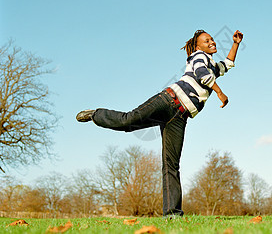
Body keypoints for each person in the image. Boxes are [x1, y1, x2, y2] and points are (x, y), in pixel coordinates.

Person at [76, 29, 244, 217]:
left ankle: (172, 214)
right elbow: (201, 73)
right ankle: (95, 115)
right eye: (207, 40)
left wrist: (235, 43)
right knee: (128, 121)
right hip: (168, 101)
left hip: (180, 117)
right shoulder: (198, 56)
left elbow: (228, 64)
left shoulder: (213, 66)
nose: (212, 42)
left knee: (171, 165)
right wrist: (219, 92)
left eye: (212, 39)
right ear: (197, 46)